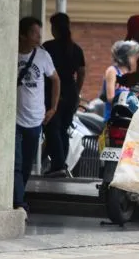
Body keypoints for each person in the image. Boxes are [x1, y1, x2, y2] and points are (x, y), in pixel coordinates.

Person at [15, 17, 60, 211]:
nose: (38, 37)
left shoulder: (42, 56)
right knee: (15, 163)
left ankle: (18, 195)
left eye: (38, 33)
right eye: (34, 33)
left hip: (35, 119)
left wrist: (53, 108)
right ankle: (18, 202)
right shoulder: (11, 54)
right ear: (22, 35)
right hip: (13, 119)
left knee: (26, 164)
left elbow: (56, 80)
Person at [42, 12, 86, 177]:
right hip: (71, 93)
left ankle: (58, 165)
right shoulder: (76, 49)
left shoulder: (48, 47)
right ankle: (60, 164)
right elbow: (82, 72)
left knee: (52, 128)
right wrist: (77, 92)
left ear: (54, 28)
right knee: (63, 130)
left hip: (53, 93)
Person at [99, 40, 139, 121]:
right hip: (114, 118)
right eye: (132, 56)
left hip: (127, 117)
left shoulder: (127, 74)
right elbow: (110, 98)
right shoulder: (112, 71)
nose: (135, 59)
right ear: (124, 57)